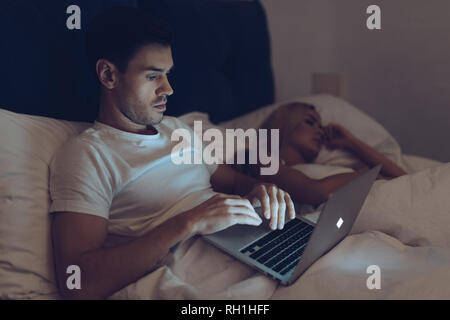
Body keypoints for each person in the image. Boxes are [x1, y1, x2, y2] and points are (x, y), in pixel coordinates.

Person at [49, 7, 295, 300]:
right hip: (200, 274)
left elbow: (230, 182)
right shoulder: (88, 156)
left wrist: (259, 188)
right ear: (108, 75)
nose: (168, 89)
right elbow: (77, 283)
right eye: (153, 76)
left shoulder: (177, 129)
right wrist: (188, 222)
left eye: (167, 74)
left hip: (251, 247)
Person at [248, 102, 407, 205]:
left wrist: (352, 143)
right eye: (310, 122)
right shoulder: (260, 159)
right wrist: (370, 175)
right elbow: (315, 192)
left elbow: (404, 178)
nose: (319, 130)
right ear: (285, 124)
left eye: (321, 126)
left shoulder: (322, 167)